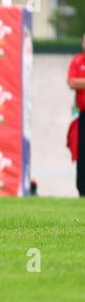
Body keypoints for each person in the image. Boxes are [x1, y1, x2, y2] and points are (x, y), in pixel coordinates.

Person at [69, 34, 85, 197]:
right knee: (82, 152)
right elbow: (72, 82)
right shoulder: (77, 61)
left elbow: (78, 82)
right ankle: (82, 191)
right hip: (83, 114)